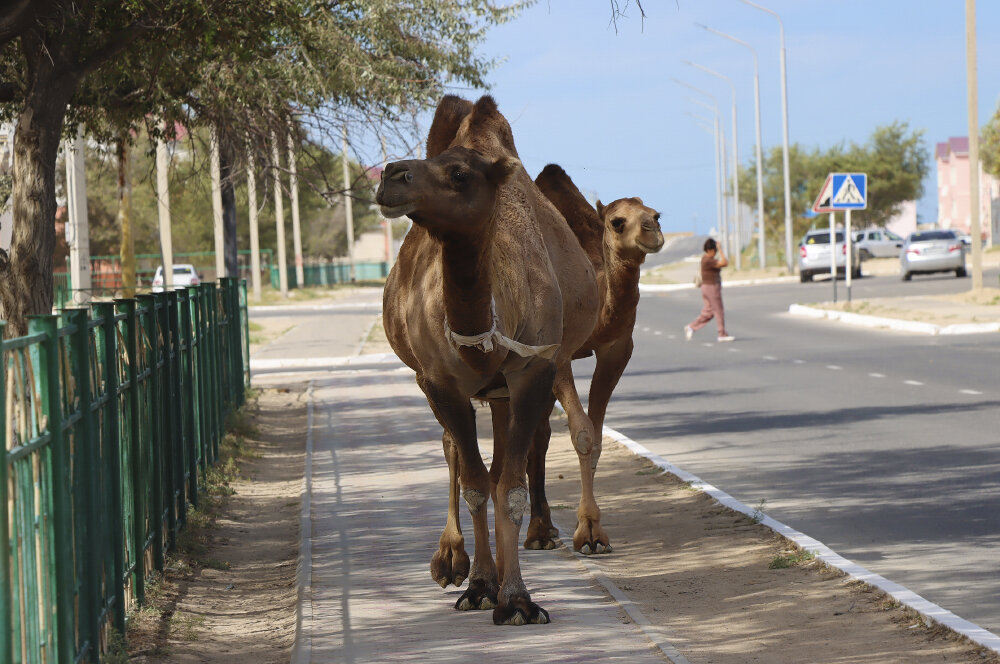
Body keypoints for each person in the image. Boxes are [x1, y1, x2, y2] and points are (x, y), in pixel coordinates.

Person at [685, 238, 734, 342]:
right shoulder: (708, 260)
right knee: (719, 310)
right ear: (711, 250)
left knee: (709, 312)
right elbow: (725, 263)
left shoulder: (705, 259)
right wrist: (720, 249)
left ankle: (691, 327)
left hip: (706, 288)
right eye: (715, 250)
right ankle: (722, 334)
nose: (716, 252)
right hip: (711, 288)